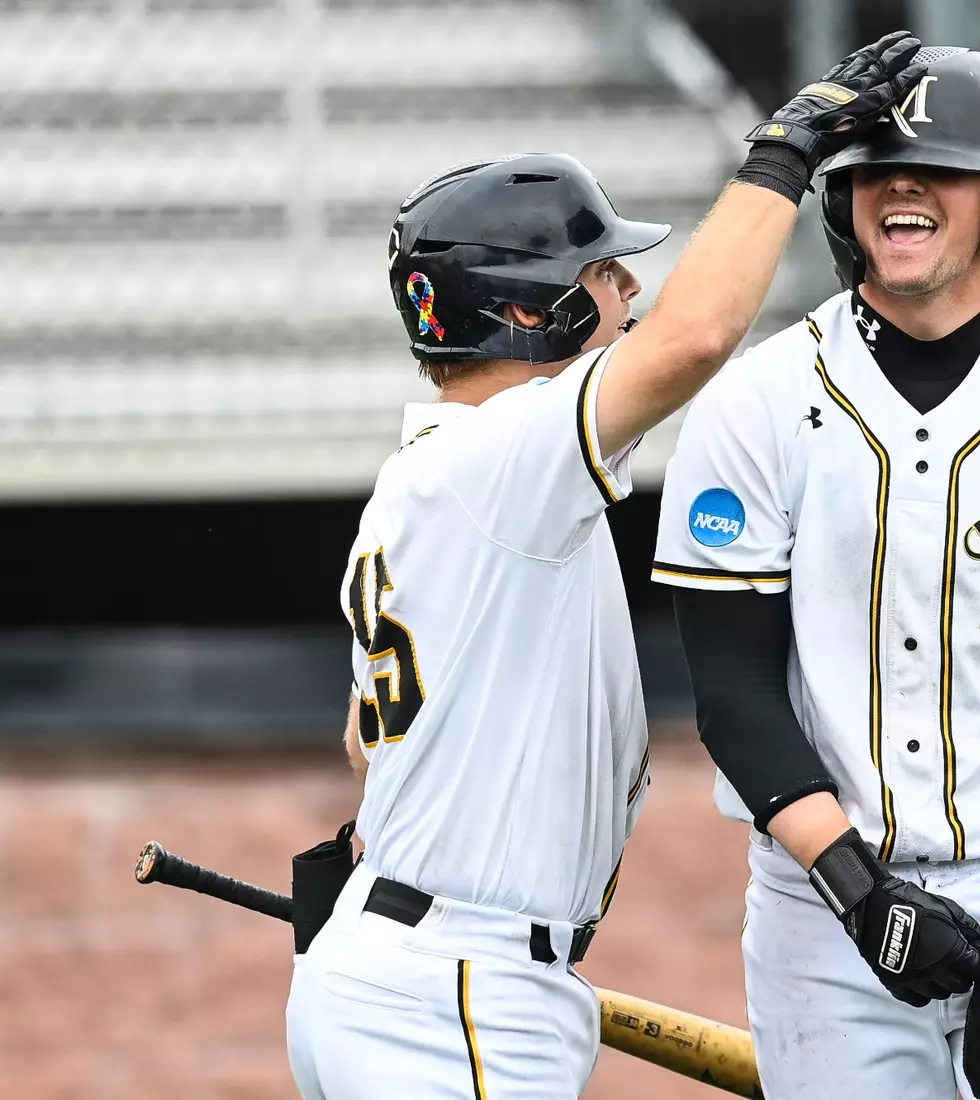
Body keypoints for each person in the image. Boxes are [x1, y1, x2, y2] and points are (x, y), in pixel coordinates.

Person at [284, 31, 927, 1100]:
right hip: (457, 992)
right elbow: (691, 339)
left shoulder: (433, 480)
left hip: (410, 970)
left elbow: (367, 741)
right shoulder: (502, 462)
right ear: (534, 312)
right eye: (604, 272)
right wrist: (785, 148)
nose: (630, 289)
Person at [654, 46, 980, 1100]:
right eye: (871, 166)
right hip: (825, 909)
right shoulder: (755, 405)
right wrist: (857, 888)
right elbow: (734, 697)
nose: (900, 185)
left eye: (938, 166)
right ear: (839, 199)